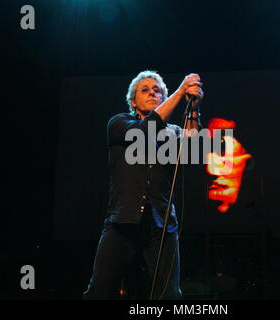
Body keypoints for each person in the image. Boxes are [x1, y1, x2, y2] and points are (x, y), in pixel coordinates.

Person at [83, 70, 204, 300]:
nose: (152, 93)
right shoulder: (119, 124)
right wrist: (180, 91)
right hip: (122, 221)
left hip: (162, 224)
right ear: (133, 100)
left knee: (169, 294)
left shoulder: (172, 133)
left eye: (157, 90)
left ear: (163, 99)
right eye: (145, 90)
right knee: (99, 290)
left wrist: (195, 107)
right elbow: (146, 130)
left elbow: (194, 148)